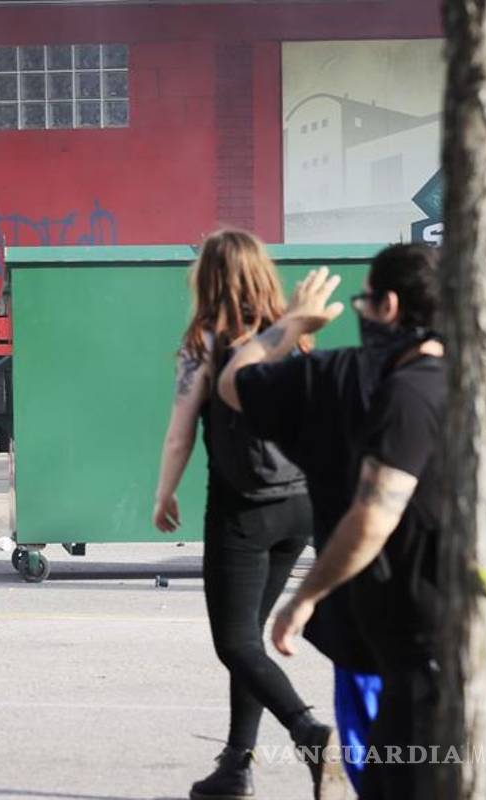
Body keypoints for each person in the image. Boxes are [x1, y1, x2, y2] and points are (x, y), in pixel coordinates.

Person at [218, 245, 448, 799]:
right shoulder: (475, 380)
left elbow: (233, 383)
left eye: (367, 302)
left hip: (381, 631)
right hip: (458, 630)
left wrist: (293, 324)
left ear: (388, 305)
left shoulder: (334, 377)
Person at [152, 231, 343, 800]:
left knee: (234, 643)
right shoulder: (293, 337)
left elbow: (180, 433)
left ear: (206, 279)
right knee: (250, 641)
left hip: (243, 510)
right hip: (300, 507)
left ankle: (311, 734)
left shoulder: (205, 342)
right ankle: (236, 766)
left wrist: (164, 494)